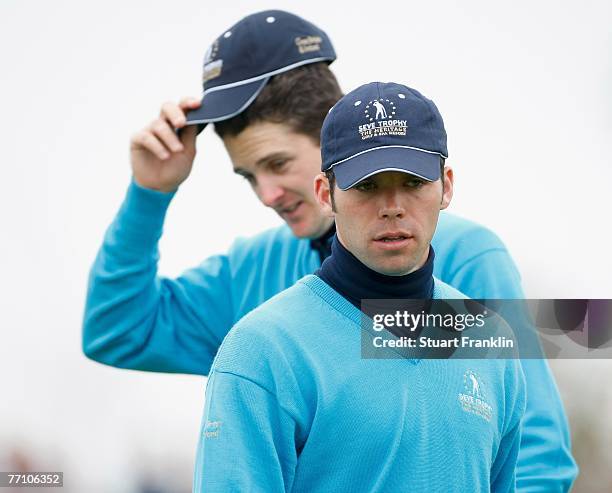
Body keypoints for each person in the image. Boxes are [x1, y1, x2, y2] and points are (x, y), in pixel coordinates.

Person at [82, 10, 577, 491]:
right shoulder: (253, 271)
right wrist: (149, 195)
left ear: (331, 142)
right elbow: (116, 329)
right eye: (249, 176)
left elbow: (533, 455)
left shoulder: (470, 255)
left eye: (277, 163)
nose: (267, 194)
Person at [193, 81, 526, 492]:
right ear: (325, 193)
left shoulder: (489, 339)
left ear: (447, 186)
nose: (392, 207)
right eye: (366, 185)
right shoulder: (263, 350)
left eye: (413, 181)